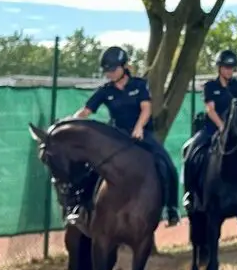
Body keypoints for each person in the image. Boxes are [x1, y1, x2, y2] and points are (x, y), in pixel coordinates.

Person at [70, 46, 180, 226]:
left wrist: (138, 128)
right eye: (107, 71)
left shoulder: (139, 85)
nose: (110, 74)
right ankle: (81, 207)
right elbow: (86, 111)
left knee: (166, 163)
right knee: (92, 167)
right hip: (116, 135)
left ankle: (171, 208)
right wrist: (70, 121)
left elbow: (146, 108)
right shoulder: (105, 90)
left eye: (113, 70)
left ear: (123, 67)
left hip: (142, 133)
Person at [182, 49, 237, 212]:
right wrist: (222, 127)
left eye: (231, 67)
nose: (229, 70)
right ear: (219, 68)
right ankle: (189, 193)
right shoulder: (210, 86)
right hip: (212, 128)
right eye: (226, 67)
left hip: (234, 132)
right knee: (189, 150)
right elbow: (210, 109)